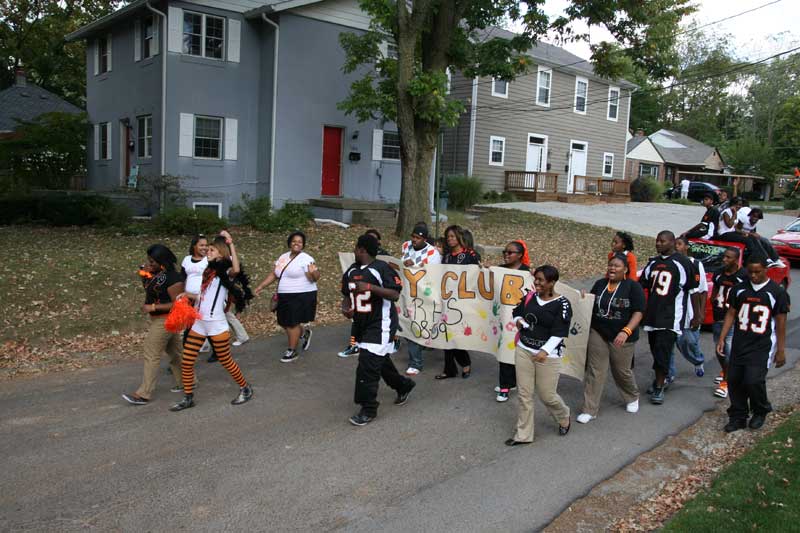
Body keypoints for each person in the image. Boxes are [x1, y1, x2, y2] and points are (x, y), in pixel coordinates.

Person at [170, 232, 253, 411]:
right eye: (208, 248)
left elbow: (237, 270)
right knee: (187, 360)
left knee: (226, 360)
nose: (208, 250)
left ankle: (245, 388)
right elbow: (202, 296)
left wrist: (231, 244)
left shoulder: (226, 272)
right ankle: (188, 397)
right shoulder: (207, 272)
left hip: (216, 324)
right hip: (200, 322)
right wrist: (186, 295)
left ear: (221, 253)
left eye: (212, 249)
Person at [342, 234, 416, 426]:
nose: (354, 251)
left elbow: (394, 294)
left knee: (367, 365)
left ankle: (368, 408)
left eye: (355, 248)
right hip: (360, 324)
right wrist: (346, 308)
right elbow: (346, 294)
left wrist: (369, 287)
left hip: (380, 323)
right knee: (378, 360)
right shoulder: (351, 271)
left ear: (362, 250)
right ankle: (403, 385)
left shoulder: (381, 269)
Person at [717, 255, 788, 433]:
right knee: (734, 380)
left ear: (766, 269)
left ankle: (760, 409)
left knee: (753, 380)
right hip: (741, 342)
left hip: (762, 344)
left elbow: (780, 322)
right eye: (750, 272)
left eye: (757, 272)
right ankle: (738, 416)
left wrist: (780, 350)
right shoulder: (739, 289)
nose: (754, 276)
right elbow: (731, 314)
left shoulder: (776, 292)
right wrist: (722, 337)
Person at [505, 265, 572, 445]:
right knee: (524, 395)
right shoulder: (530, 296)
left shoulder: (563, 304)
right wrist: (519, 321)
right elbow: (516, 312)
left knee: (547, 395)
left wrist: (544, 351)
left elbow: (560, 332)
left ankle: (563, 415)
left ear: (552, 282)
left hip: (547, 357)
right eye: (536, 279)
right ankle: (523, 435)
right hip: (524, 350)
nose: (536, 283)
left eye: (541, 280)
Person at [577, 254, 644, 423]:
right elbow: (591, 304)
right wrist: (584, 297)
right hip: (598, 331)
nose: (612, 268)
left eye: (617, 266)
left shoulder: (632, 287)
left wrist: (626, 331)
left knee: (621, 370)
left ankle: (632, 396)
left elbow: (639, 312)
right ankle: (590, 409)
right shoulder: (600, 284)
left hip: (622, 335)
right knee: (595, 370)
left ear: (626, 269)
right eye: (610, 265)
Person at [638, 230, 699, 405]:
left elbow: (693, 290)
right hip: (653, 313)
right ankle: (661, 378)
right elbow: (643, 285)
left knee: (663, 351)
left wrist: (696, 314)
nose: (658, 244)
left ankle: (659, 385)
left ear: (672, 242)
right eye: (657, 240)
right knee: (655, 350)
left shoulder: (684, 263)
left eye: (662, 241)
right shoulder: (653, 263)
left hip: (671, 315)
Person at [122, 244, 184, 405]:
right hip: (159, 319)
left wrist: (153, 307)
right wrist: (145, 273)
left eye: (153, 261)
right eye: (149, 260)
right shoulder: (157, 273)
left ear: (162, 261)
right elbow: (151, 287)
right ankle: (188, 381)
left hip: (166, 319)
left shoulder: (174, 279)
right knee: (176, 353)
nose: (149, 264)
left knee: (151, 353)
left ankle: (144, 393)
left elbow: (178, 304)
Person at [255, 231, 320, 362]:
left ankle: (292, 350)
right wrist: (261, 286)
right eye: (294, 241)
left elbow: (314, 278)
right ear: (290, 243)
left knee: (292, 323)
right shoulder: (283, 257)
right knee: (283, 321)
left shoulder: (306, 258)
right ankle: (303, 333)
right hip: (284, 295)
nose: (297, 243)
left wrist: (314, 272)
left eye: (300, 242)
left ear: (303, 245)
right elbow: (274, 274)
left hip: (301, 295)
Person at [435, 225, 480, 380]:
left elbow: (476, 277)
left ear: (459, 237)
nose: (450, 239)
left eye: (453, 236)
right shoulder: (446, 256)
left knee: (457, 336)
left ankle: (465, 363)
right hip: (446, 299)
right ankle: (449, 369)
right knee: (446, 335)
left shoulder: (470, 254)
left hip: (463, 301)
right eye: (448, 237)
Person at [400, 223, 442, 375]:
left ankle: (416, 362)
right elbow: (400, 264)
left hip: (425, 295)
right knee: (411, 327)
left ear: (425, 239)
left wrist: (415, 265)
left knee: (419, 327)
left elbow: (432, 272)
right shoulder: (405, 246)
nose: (414, 240)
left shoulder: (433, 253)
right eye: (413, 236)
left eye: (418, 238)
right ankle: (416, 360)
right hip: (408, 293)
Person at [668, 236, 708, 382]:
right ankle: (669, 374)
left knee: (689, 342)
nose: (676, 247)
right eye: (675, 244)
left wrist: (700, 313)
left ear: (686, 247)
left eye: (679, 244)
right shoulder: (669, 263)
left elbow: (702, 290)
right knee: (669, 345)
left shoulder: (695, 264)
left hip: (690, 312)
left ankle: (697, 360)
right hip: (672, 313)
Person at [709, 247, 747, 399]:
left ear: (736, 259)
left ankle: (726, 383)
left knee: (727, 350)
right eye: (724, 257)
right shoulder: (719, 273)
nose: (725, 260)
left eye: (729, 258)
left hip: (732, 318)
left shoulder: (743, 276)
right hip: (718, 316)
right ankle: (725, 372)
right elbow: (715, 291)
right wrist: (713, 302)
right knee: (719, 349)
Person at [495, 240, 531, 402]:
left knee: (515, 351)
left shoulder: (528, 273)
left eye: (510, 252)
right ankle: (504, 386)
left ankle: (511, 382)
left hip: (519, 318)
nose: (506, 255)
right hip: (503, 318)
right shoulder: (499, 270)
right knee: (504, 349)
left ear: (520, 255)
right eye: (505, 252)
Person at [717, 197, 777, 266]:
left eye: (740, 205)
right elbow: (729, 225)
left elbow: (735, 227)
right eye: (737, 204)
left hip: (732, 233)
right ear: (732, 204)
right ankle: (756, 259)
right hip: (724, 234)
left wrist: (745, 233)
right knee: (747, 240)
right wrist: (734, 214)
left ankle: (765, 259)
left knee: (752, 237)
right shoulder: (726, 212)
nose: (738, 206)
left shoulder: (736, 212)